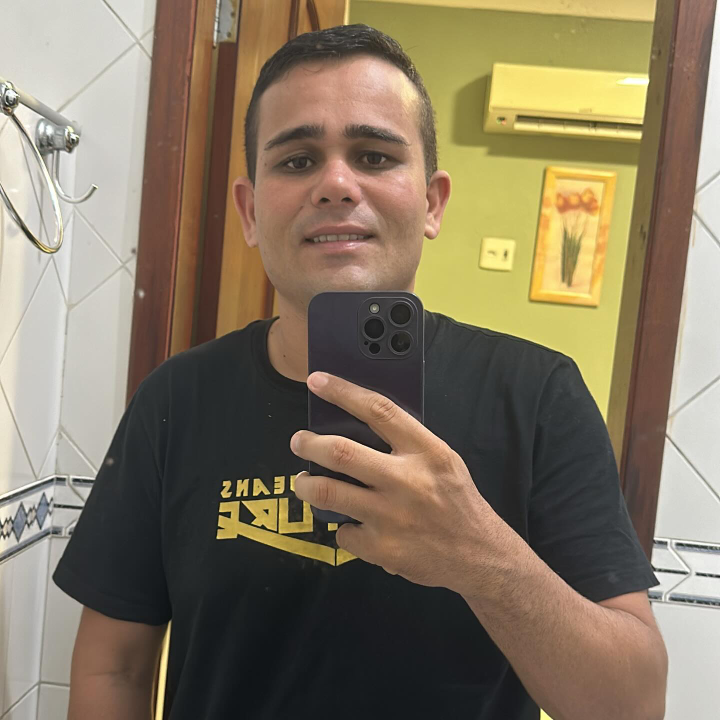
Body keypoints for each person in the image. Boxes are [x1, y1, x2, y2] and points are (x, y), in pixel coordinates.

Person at [54, 24, 667, 720]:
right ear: (250, 213)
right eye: (297, 160)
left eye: (374, 156)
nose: (336, 184)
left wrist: (479, 554)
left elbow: (633, 705)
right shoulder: (178, 398)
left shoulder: (537, 395)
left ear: (432, 203)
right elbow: (113, 666)